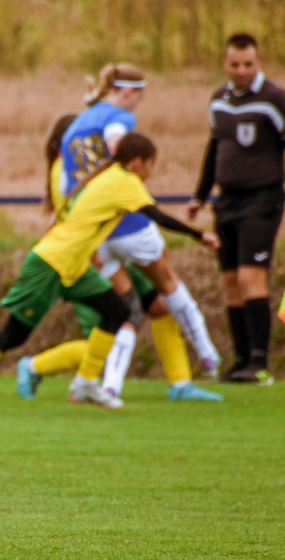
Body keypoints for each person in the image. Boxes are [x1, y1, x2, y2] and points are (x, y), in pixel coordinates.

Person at [0, 133, 220, 414]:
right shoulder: (124, 180)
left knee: (117, 312)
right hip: (52, 263)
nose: (150, 173)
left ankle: (86, 382)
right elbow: (155, 215)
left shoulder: (107, 177)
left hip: (74, 266)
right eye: (150, 165)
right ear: (137, 162)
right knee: (13, 335)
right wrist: (199, 235)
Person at [16, 114, 222, 403]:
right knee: (112, 330)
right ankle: (36, 367)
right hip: (89, 258)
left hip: (116, 247)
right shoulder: (66, 171)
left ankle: (180, 383)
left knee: (159, 307)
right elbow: (74, 221)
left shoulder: (99, 170)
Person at [60, 63, 222, 379]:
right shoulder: (120, 117)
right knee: (168, 282)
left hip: (97, 235)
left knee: (126, 310)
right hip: (129, 225)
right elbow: (117, 142)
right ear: (129, 93)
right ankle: (207, 355)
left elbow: (68, 184)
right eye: (139, 97)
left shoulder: (75, 127)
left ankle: (110, 385)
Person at [189, 33, 285, 384]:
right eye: (235, 64)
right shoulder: (219, 99)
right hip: (226, 201)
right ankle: (240, 360)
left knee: (250, 277)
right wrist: (200, 195)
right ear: (225, 64)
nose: (241, 70)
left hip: (262, 199)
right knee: (230, 282)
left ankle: (259, 362)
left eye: (248, 64)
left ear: (258, 62)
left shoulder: (274, 99)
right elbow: (215, 148)